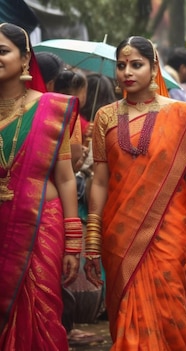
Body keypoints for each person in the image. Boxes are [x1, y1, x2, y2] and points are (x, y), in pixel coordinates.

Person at [83, 36, 186, 350]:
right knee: (127, 310)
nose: (128, 71)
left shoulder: (183, 115)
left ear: (153, 68)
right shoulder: (105, 117)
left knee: (170, 306)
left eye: (136, 64)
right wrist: (93, 237)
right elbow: (99, 181)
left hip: (168, 231)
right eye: (122, 65)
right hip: (120, 233)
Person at [0, 22, 80, 350]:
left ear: (24, 58)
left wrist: (74, 237)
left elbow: (64, 176)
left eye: (3, 51)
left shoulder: (51, 109)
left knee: (41, 308)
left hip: (40, 226)